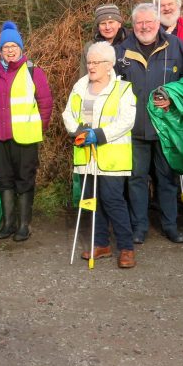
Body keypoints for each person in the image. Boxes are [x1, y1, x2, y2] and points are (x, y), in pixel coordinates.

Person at [114, 3, 183, 245]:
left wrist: (173, 95)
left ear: (158, 22)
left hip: (166, 128)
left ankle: (170, 226)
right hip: (133, 129)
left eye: (149, 22)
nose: (145, 26)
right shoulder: (121, 52)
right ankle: (139, 227)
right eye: (140, 22)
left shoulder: (175, 46)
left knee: (167, 179)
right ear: (133, 24)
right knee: (136, 180)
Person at [62, 42, 137, 268]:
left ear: (109, 65)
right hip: (86, 155)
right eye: (89, 62)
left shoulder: (122, 89)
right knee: (93, 202)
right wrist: (77, 131)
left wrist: (99, 134)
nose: (91, 66)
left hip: (112, 157)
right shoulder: (80, 86)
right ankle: (101, 243)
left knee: (113, 200)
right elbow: (68, 113)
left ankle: (126, 248)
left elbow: (126, 121)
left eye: (97, 62)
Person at [0, 21, 53, 242]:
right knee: (4, 180)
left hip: (25, 137)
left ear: (21, 48)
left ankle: (24, 225)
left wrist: (38, 127)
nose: (10, 50)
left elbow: (45, 103)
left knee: (24, 179)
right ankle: (7, 224)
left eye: (14, 46)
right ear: (1, 51)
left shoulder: (33, 72)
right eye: (5, 47)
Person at [79, 4, 128, 76]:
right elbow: (84, 78)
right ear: (98, 27)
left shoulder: (131, 44)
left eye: (111, 22)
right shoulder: (90, 47)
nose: (107, 27)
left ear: (119, 24)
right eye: (103, 23)